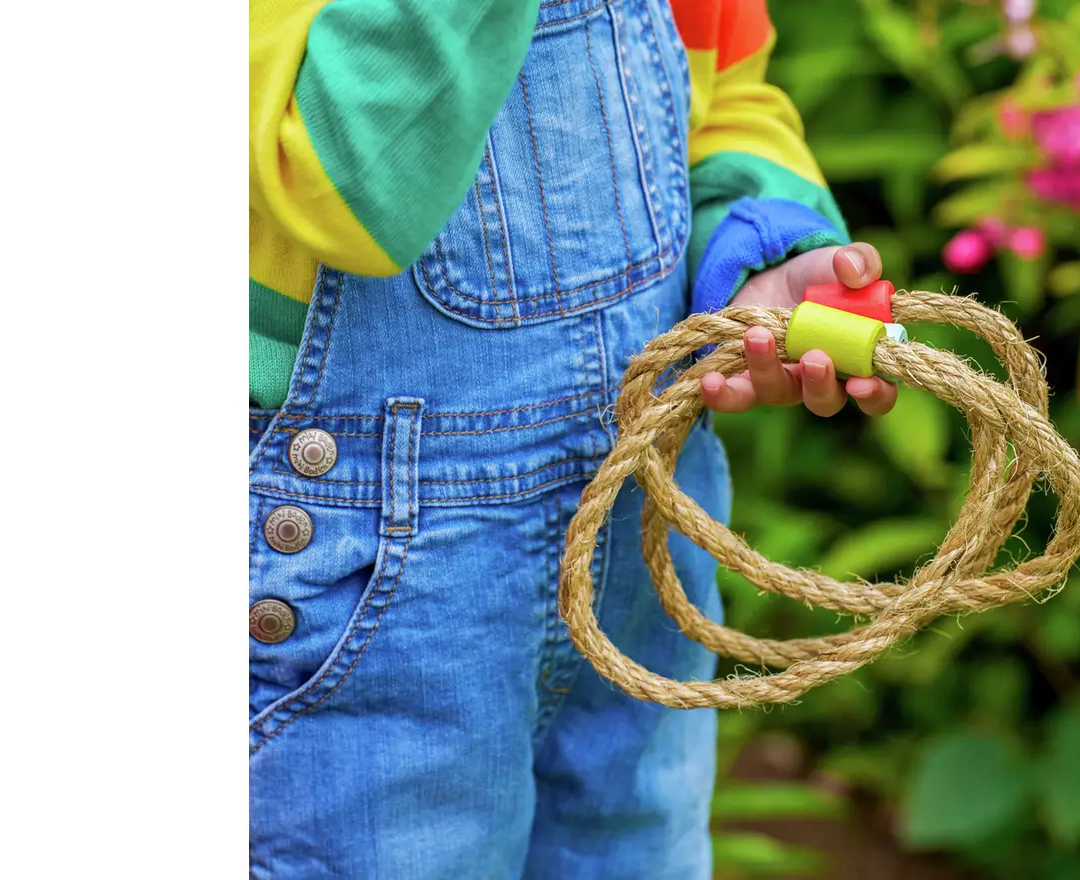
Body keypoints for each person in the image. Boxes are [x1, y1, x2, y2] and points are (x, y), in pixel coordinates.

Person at [249, 1, 894, 876]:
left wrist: (753, 243)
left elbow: (728, 91)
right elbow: (347, 178)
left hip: (639, 561)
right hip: (368, 601)